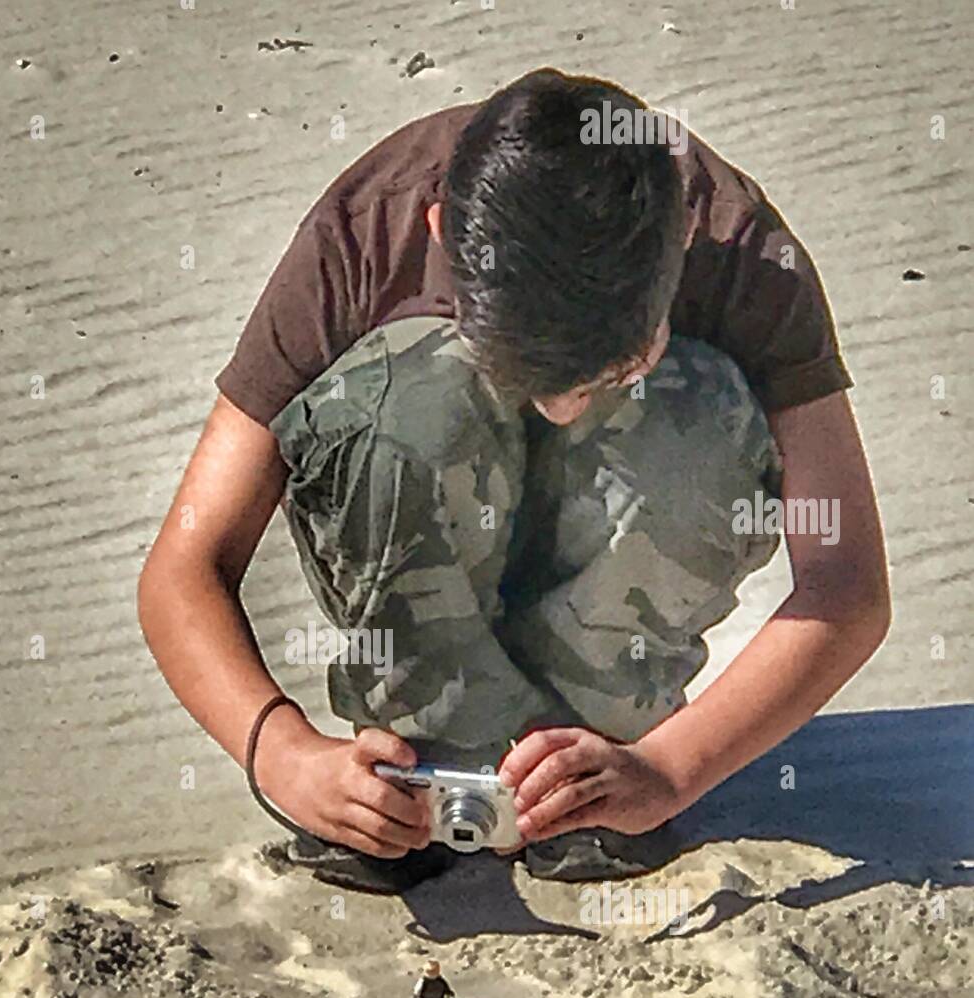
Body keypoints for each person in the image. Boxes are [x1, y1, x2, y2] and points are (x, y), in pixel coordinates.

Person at [139, 68, 889, 894]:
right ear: (437, 234)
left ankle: (592, 762)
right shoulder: (366, 229)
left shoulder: (746, 253)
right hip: (429, 600)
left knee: (694, 410)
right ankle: (425, 756)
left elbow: (844, 580)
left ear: (679, 235)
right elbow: (186, 561)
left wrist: (668, 770)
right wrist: (281, 754)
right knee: (404, 400)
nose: (564, 412)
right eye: (528, 375)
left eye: (609, 371)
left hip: (621, 693)